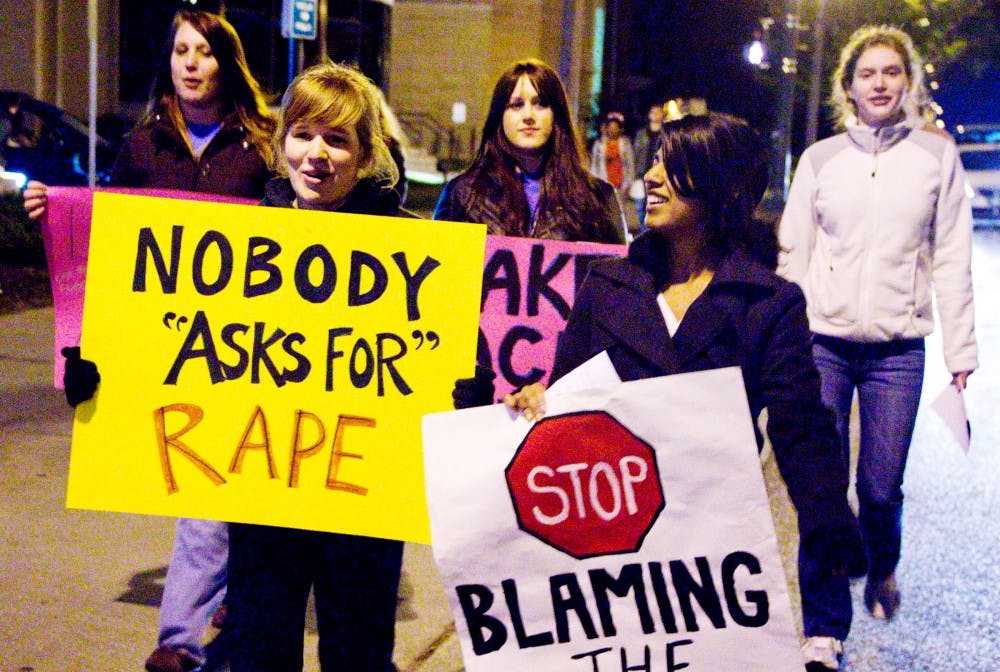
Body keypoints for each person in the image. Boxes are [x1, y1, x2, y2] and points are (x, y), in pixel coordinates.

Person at [505, 112, 867, 672]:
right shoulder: (607, 285)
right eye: (653, 161)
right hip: (607, 534)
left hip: (708, 545)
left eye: (672, 166)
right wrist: (533, 400)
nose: (651, 176)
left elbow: (799, 424)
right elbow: (567, 397)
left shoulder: (769, 303)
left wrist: (825, 518)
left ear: (723, 185)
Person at [24, 10, 276, 672]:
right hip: (171, 355)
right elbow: (108, 247)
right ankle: (182, 643)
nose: (190, 62)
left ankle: (206, 624)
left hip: (245, 350)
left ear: (227, 62)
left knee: (238, 495)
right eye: (179, 51)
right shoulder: (142, 149)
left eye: (204, 52)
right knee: (207, 494)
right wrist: (59, 218)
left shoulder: (261, 149)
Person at [777, 24, 977, 670]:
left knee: (882, 489)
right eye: (868, 74)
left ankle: (882, 563)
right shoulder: (821, 160)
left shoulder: (935, 157)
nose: (881, 83)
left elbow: (950, 256)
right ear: (849, 87)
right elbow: (793, 254)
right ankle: (825, 630)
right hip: (822, 345)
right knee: (822, 490)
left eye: (892, 72)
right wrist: (780, 342)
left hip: (898, 349)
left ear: (908, 82)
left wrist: (962, 351)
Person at [225, 61, 404, 672]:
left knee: (357, 657)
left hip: (364, 499)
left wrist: (465, 385)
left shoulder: (408, 251)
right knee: (258, 652)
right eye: (303, 134)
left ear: (366, 155)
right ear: (282, 145)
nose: (316, 154)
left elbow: (460, 367)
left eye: (337, 139)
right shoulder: (239, 240)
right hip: (264, 491)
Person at [433, 58, 626, 244]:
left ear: (556, 115)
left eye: (540, 103)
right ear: (500, 115)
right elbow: (439, 269)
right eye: (516, 105)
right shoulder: (462, 194)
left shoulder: (599, 196)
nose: (528, 116)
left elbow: (618, 272)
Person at [630, 102, 665, 230]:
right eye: (652, 112)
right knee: (640, 205)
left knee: (654, 202)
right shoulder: (641, 134)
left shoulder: (665, 134)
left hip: (656, 174)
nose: (655, 115)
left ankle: (650, 230)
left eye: (657, 112)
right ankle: (642, 230)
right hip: (641, 173)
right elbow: (635, 154)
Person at [589, 109, 635, 203]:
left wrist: (628, 184)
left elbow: (630, 164)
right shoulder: (599, 144)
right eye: (610, 127)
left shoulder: (625, 144)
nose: (612, 130)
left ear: (620, 129)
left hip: (620, 185)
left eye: (615, 127)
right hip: (604, 184)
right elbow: (594, 164)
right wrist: (595, 183)